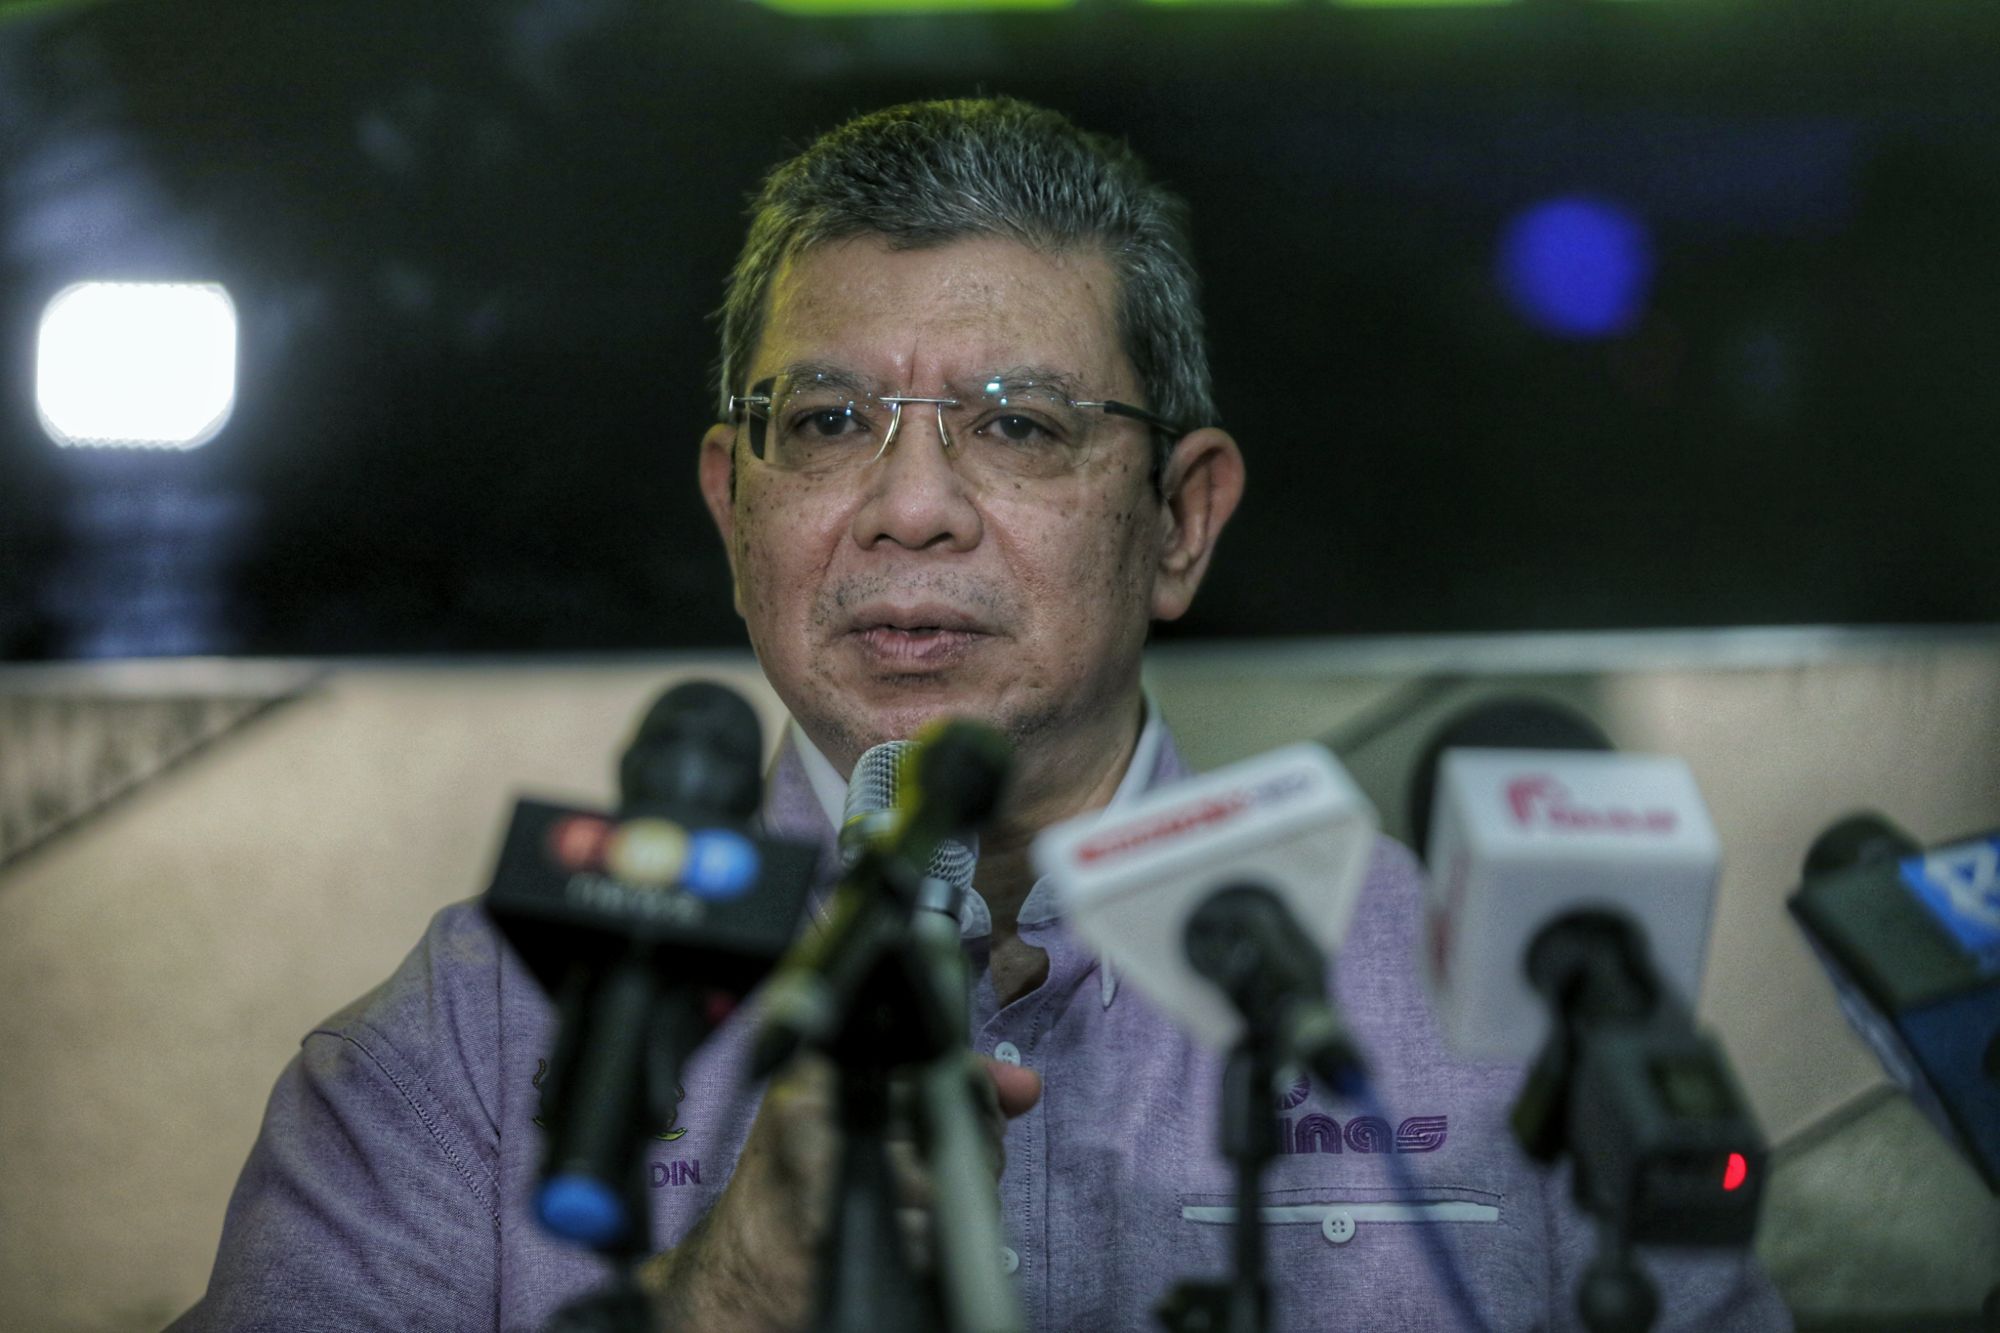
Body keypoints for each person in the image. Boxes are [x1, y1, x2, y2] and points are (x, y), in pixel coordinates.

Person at [172, 97, 1788, 1332]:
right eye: (827, 421)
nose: (911, 507)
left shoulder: (1485, 999)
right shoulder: (486, 1032)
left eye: (1018, 423)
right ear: (738, 509)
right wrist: (724, 1302)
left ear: (1179, 522)